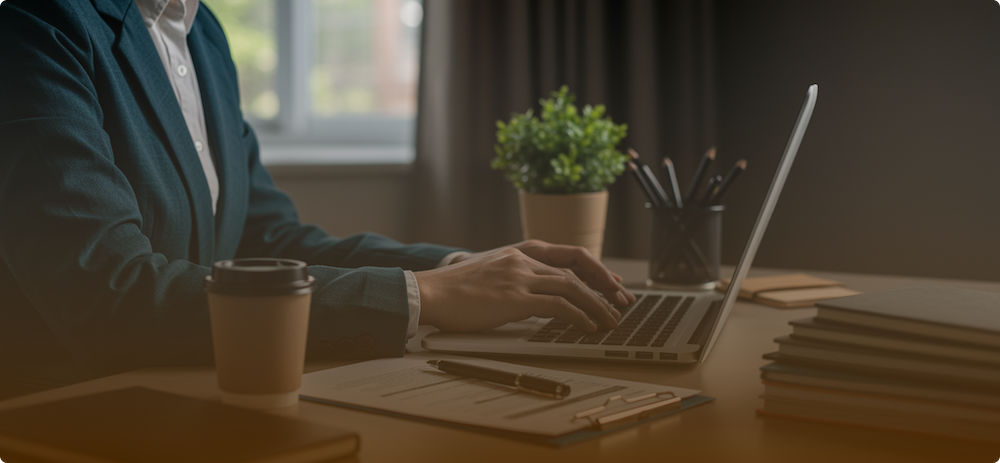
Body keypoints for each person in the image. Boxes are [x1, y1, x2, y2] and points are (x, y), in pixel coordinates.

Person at [0, 0, 633, 395]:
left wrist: (460, 268)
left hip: (199, 390)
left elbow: (264, 238)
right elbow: (113, 295)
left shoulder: (201, 34)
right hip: (79, 413)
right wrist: (424, 297)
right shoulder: (34, 22)